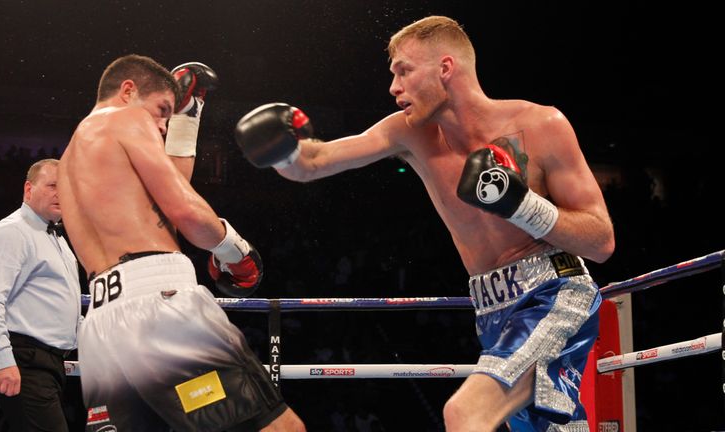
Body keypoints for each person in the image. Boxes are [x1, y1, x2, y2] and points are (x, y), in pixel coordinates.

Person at [234, 16, 615, 432]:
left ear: (445, 68)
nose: (393, 87)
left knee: (465, 412)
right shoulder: (411, 132)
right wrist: (283, 149)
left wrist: (521, 205)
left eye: (403, 71)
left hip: (554, 292)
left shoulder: (541, 125)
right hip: (491, 309)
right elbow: (313, 163)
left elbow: (601, 241)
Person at [57, 54, 305, 431]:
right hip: (162, 312)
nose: (160, 125)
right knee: (279, 428)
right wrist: (234, 249)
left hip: (101, 330)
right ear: (128, 90)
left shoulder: (69, 161)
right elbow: (185, 212)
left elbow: (165, 185)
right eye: (161, 111)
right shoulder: (126, 117)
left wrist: (189, 115)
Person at [0, 158, 82, 431]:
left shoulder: (57, 238)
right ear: (28, 189)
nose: (61, 194)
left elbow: (62, 303)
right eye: (53, 185)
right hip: (24, 362)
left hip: (50, 362)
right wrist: (2, 360)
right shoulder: (12, 232)